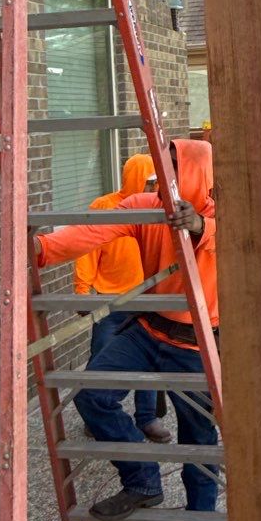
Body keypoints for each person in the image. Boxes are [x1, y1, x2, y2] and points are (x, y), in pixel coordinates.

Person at [35, 138, 221, 521]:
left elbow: (236, 238)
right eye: (160, 166)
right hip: (148, 328)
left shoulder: (216, 213)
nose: (163, 176)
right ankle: (142, 480)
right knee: (92, 396)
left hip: (197, 342)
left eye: (173, 167)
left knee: (198, 437)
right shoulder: (145, 205)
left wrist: (198, 226)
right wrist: (42, 250)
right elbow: (90, 232)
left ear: (195, 172)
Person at [75, 151, 172, 444]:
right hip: (110, 298)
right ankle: (98, 415)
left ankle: (147, 418)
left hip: (148, 297)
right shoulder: (105, 207)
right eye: (149, 182)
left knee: (148, 358)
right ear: (134, 179)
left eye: (157, 184)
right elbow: (87, 247)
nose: (154, 189)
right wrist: (82, 289)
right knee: (101, 354)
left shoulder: (157, 209)